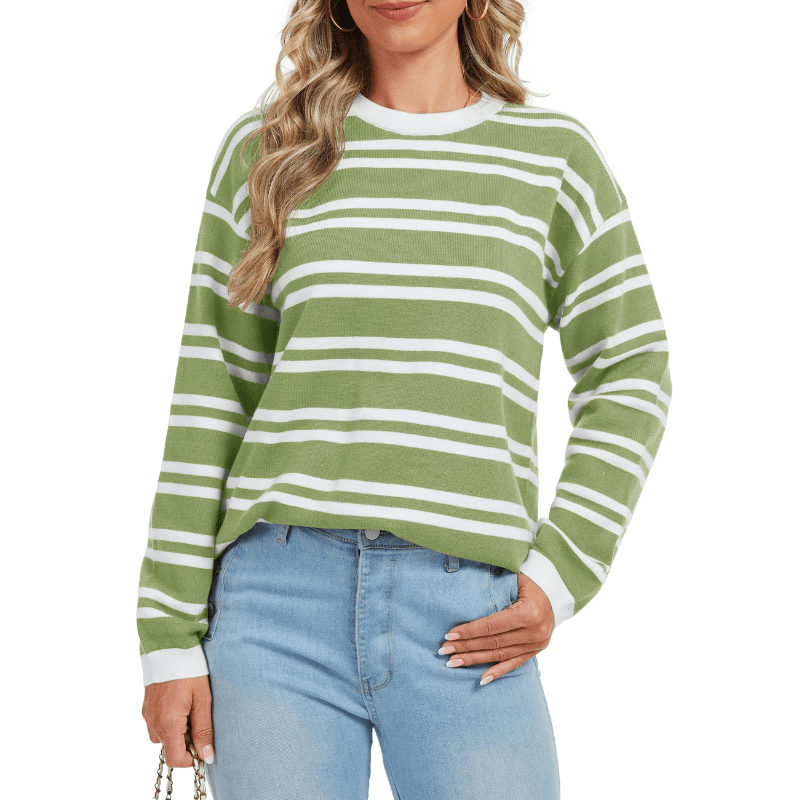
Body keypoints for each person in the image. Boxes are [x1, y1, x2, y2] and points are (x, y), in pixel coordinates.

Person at [137, 0, 672, 797]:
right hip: (273, 610)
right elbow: (212, 396)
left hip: (470, 617)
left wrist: (561, 573)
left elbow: (632, 367)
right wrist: (168, 637)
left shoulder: (554, 158)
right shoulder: (268, 149)